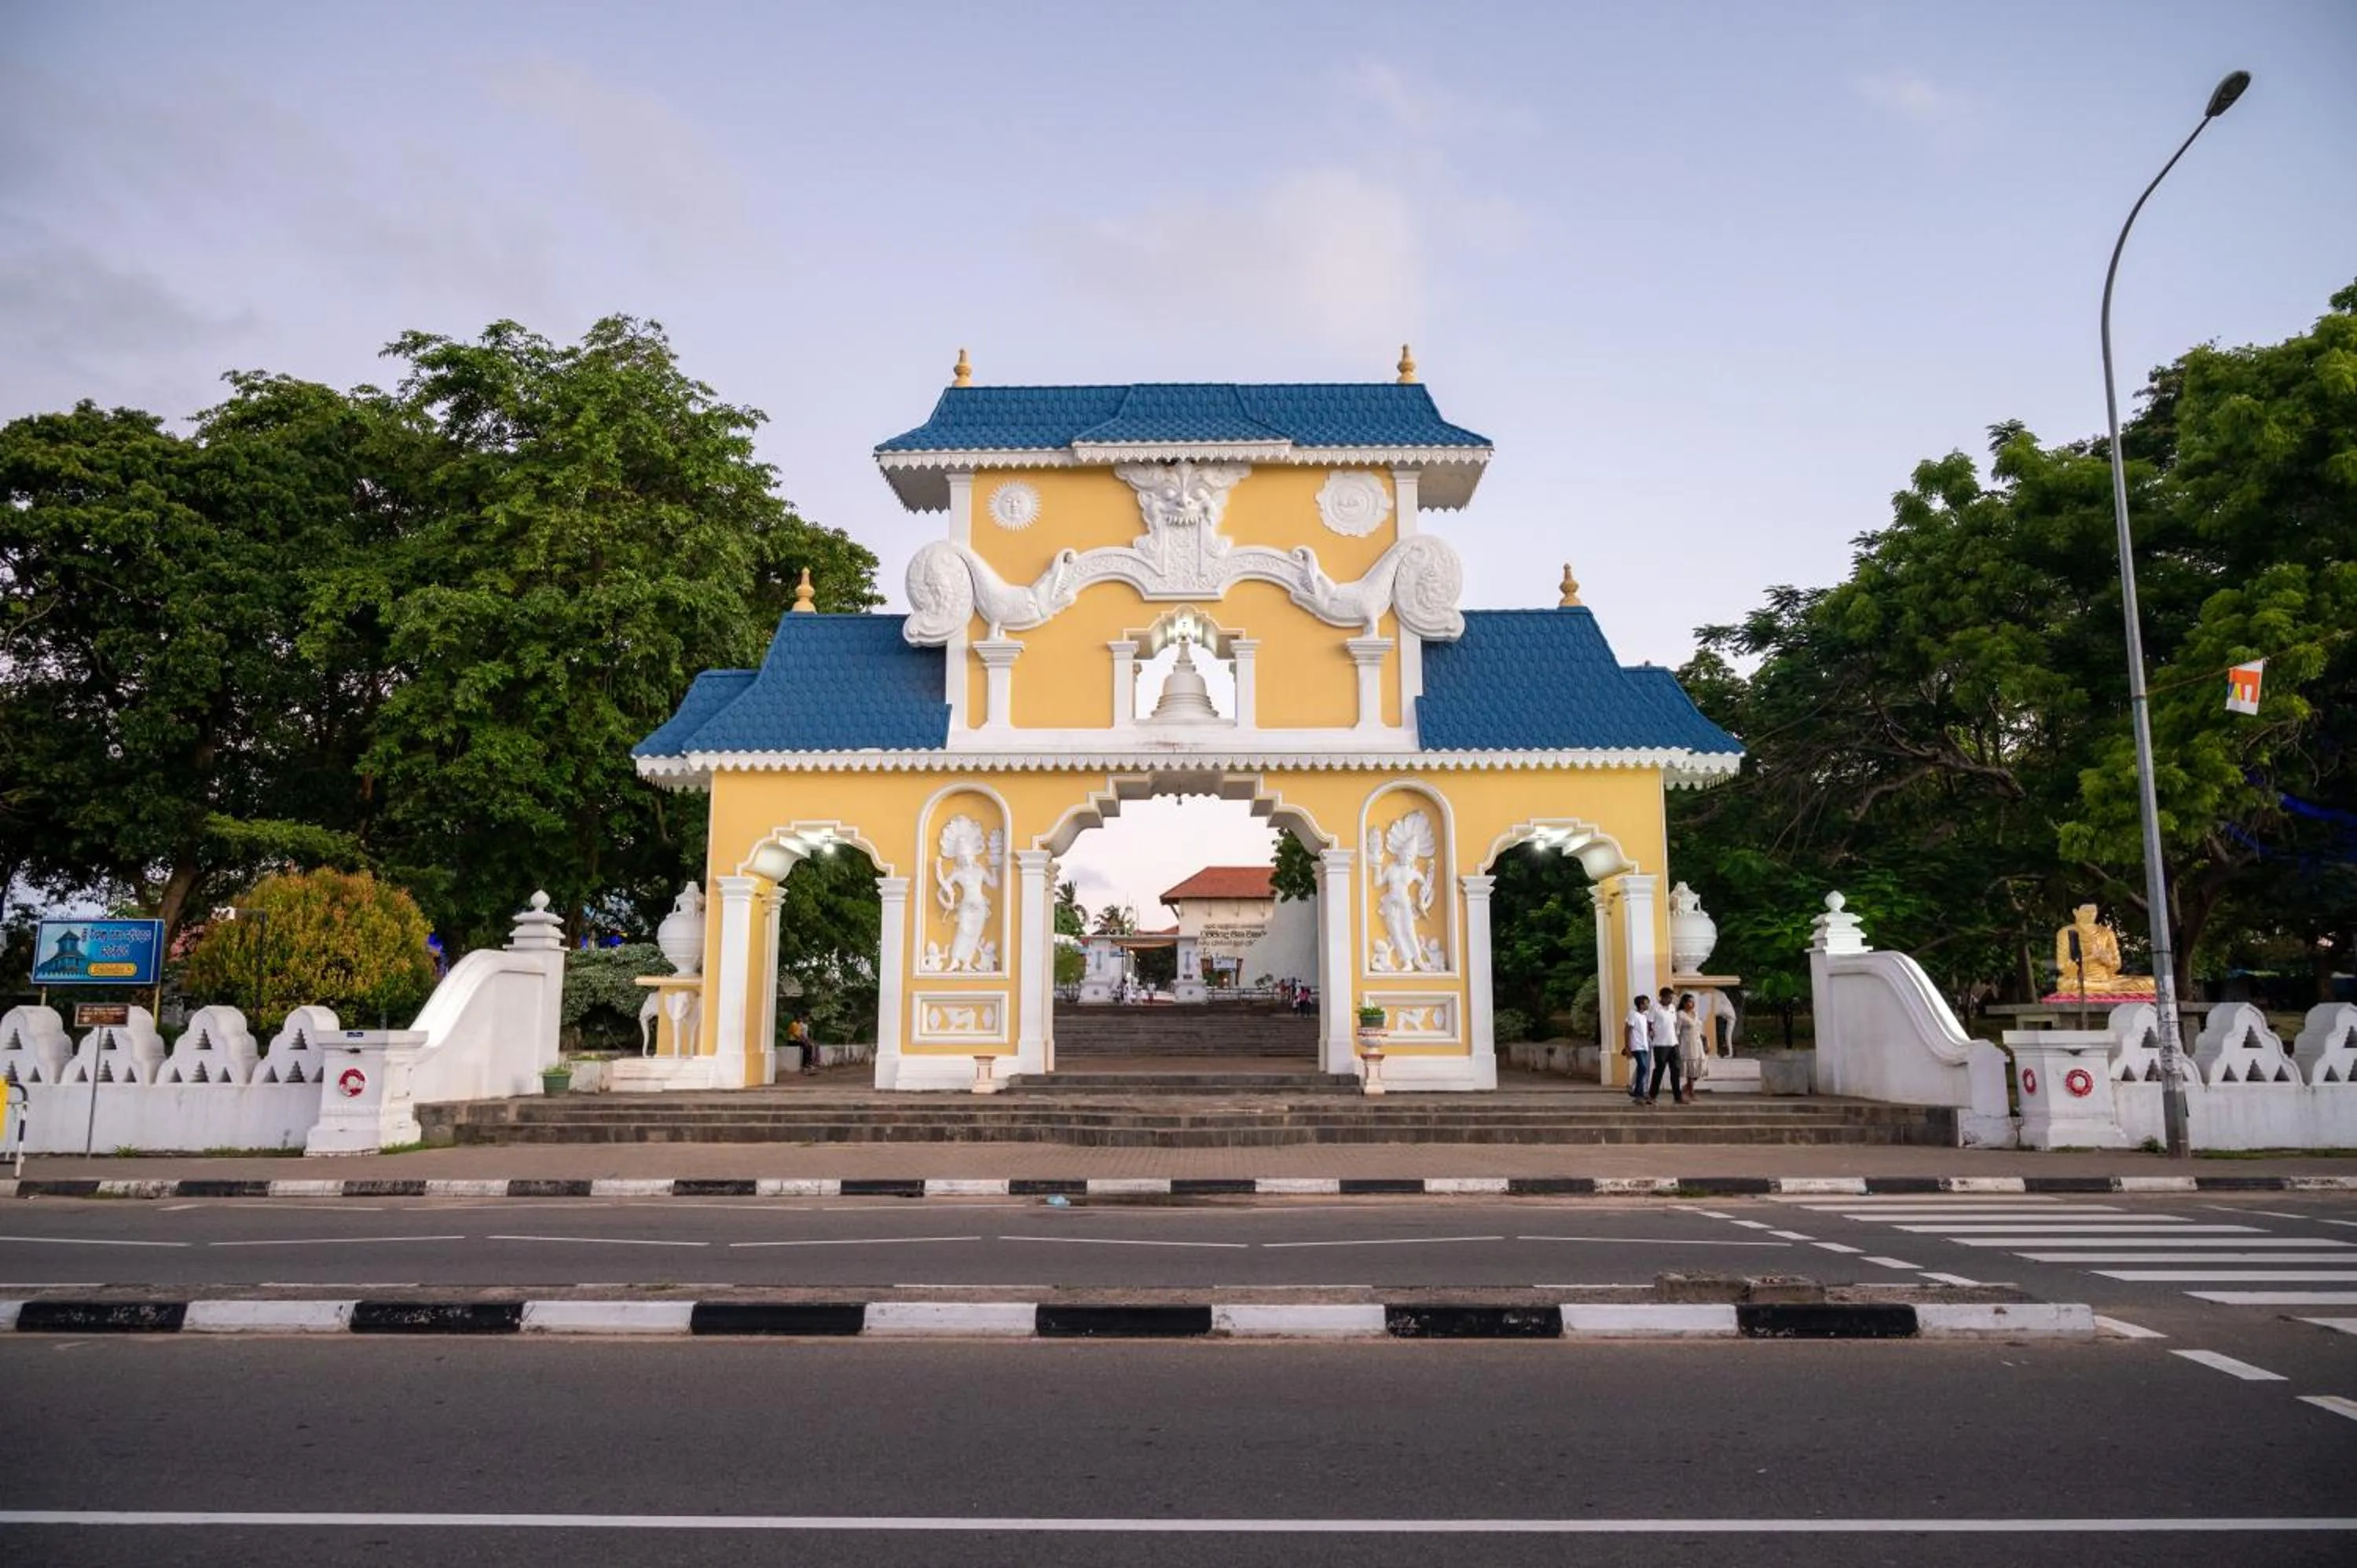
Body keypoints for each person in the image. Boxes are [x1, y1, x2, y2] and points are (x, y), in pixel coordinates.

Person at [1646, 986, 1681, 1105]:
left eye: (1672, 998)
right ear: (1662, 997)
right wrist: (1651, 1033)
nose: (1670, 1000)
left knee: (1676, 1070)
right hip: (1660, 1044)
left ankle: (1678, 1097)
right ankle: (1652, 1096)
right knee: (1659, 1070)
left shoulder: (1672, 1008)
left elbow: (1674, 1023)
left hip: (1673, 1043)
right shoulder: (1655, 1008)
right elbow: (1649, 1023)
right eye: (1668, 998)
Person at [1674, 991, 1706, 1104]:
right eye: (1690, 1002)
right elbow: (1677, 1031)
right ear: (1684, 1003)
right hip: (1687, 1044)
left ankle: (1687, 1087)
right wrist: (1676, 1045)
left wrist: (1705, 1041)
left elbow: (1700, 1030)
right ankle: (1691, 1092)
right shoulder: (1680, 1014)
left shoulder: (1695, 1014)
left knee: (1699, 1068)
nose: (1692, 1004)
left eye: (1693, 1002)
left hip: (1697, 1043)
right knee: (1690, 1069)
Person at [1623, 995, 1652, 1105]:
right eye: (1647, 1003)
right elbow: (1627, 1030)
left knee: (1642, 1069)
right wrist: (1627, 1047)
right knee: (1643, 1067)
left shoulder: (1644, 1016)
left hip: (1644, 1046)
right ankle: (1638, 1093)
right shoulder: (1633, 1014)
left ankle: (1638, 1092)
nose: (1648, 1005)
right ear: (1641, 1004)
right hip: (1636, 1046)